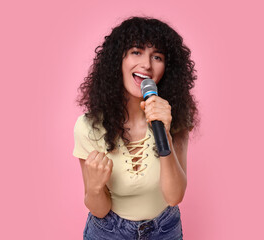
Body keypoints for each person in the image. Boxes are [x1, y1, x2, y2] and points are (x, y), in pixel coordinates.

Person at [73, 16, 199, 240]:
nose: (147, 65)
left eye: (157, 57)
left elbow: (174, 196)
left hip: (164, 229)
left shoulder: (175, 117)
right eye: (136, 52)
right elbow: (99, 209)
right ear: (118, 60)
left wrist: (166, 136)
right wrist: (94, 188)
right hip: (108, 231)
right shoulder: (89, 127)